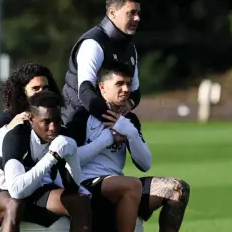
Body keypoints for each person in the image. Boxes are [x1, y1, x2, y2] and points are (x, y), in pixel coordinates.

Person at [66, 61, 191, 232]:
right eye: (119, 83)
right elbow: (71, 160)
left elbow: (145, 164)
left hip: (117, 183)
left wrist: (130, 132)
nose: (126, 89)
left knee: (177, 189)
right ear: (102, 87)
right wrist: (107, 140)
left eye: (128, 84)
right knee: (131, 185)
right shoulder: (81, 116)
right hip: (87, 184)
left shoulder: (129, 120)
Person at [0, 90, 92, 232]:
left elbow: (73, 187)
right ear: (32, 119)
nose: (53, 128)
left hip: (32, 191)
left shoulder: (62, 135)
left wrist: (72, 155)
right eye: (46, 121)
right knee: (14, 205)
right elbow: (16, 191)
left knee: (80, 202)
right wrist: (52, 157)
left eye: (57, 121)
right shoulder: (16, 137)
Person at [62, 0, 143, 125]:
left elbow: (135, 91)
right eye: (131, 13)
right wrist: (113, 121)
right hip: (77, 125)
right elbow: (86, 92)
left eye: (138, 13)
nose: (137, 18)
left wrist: (127, 105)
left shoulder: (130, 48)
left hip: (106, 124)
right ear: (112, 13)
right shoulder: (93, 44)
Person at [0, 62, 62, 161]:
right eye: (35, 89)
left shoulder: (55, 114)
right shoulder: (11, 116)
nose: (42, 93)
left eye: (45, 88)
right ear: (23, 92)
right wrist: (9, 127)